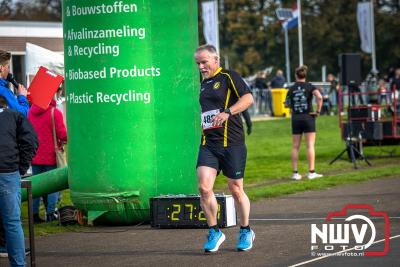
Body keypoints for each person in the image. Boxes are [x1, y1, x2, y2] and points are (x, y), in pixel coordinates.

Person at [194, 44, 255, 253]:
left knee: (236, 190)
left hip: (233, 144)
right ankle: (214, 231)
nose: (201, 66)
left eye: (204, 62)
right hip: (209, 144)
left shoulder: (229, 76)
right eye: (198, 63)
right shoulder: (203, 83)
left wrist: (228, 112)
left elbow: (248, 98)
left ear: (215, 59)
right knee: (204, 188)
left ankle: (246, 229)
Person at [0, 96, 38, 267]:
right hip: (8, 172)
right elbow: (31, 142)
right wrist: (20, 167)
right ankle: (18, 264)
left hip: (8, 170)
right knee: (12, 222)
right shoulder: (14, 116)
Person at [28, 98, 67, 223]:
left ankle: (33, 214)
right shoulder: (54, 113)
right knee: (52, 186)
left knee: (35, 186)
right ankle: (51, 213)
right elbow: (62, 134)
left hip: (35, 155)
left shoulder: (30, 112)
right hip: (51, 155)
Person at [285, 65, 323, 180]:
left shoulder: (291, 89)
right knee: (310, 145)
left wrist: (292, 106)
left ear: (296, 75)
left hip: (296, 118)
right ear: (305, 75)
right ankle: (311, 172)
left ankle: (295, 173)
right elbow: (320, 97)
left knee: (295, 146)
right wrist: (318, 111)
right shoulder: (310, 86)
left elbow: (286, 104)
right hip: (308, 117)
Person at [0, 50, 29, 117]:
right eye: (8, 67)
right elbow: (22, 115)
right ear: (1, 68)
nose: (9, 71)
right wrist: (22, 97)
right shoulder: (4, 92)